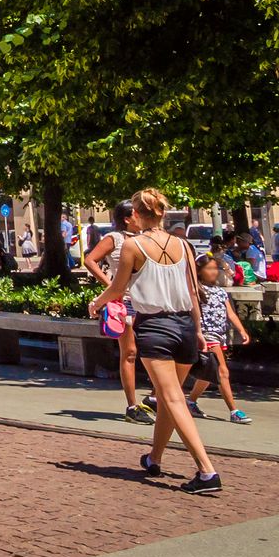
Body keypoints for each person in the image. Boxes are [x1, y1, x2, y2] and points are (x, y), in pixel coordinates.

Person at [91, 187, 220, 495]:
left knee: (173, 398)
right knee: (166, 397)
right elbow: (192, 292)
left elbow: (118, 289)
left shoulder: (134, 247)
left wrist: (97, 303)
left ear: (136, 214)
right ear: (162, 212)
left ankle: (206, 471)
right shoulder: (183, 245)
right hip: (185, 324)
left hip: (156, 327)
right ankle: (155, 458)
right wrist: (199, 330)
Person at [83, 201, 149, 424]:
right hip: (127, 301)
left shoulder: (148, 237)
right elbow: (90, 259)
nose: (141, 217)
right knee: (129, 352)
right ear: (128, 218)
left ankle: (156, 398)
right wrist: (110, 285)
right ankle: (132, 405)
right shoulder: (116, 238)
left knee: (155, 351)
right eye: (137, 214)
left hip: (151, 302)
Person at [183, 253, 251, 424]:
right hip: (207, 335)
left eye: (215, 268)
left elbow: (230, 313)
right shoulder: (195, 290)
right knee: (222, 371)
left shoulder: (220, 291)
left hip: (219, 335)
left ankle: (190, 401)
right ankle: (233, 410)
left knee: (207, 373)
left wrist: (241, 330)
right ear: (199, 271)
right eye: (209, 268)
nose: (214, 272)